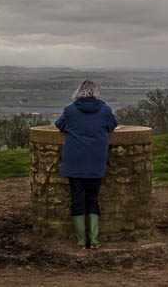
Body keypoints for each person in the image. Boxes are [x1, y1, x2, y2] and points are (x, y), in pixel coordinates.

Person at [55, 80, 118, 249]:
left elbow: (59, 126)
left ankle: (82, 241)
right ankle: (94, 240)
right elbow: (113, 126)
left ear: (78, 92)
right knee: (92, 198)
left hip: (74, 161)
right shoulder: (105, 110)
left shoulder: (70, 111)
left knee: (77, 199)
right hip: (96, 160)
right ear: (96, 93)